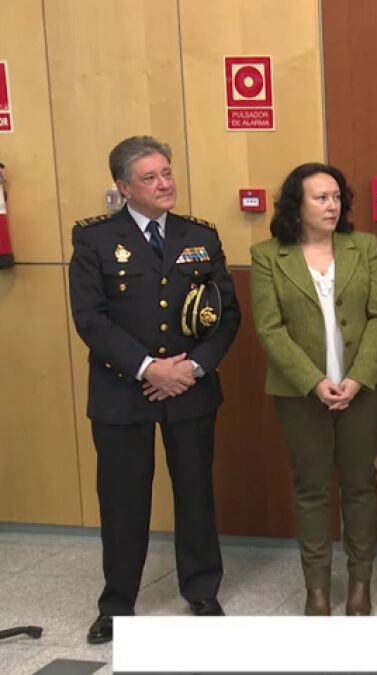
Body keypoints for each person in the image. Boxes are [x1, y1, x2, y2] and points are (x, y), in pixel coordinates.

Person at [68, 135, 240, 644]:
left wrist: (194, 367)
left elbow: (226, 313)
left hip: (190, 387)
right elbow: (90, 318)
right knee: (122, 500)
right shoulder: (95, 239)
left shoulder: (200, 236)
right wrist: (148, 369)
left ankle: (202, 590)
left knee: (195, 492)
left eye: (166, 172)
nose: (165, 183)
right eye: (150, 177)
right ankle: (117, 604)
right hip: (123, 392)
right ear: (123, 188)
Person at [250, 163, 377, 616]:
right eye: (321, 198)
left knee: (359, 484)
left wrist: (358, 377)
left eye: (336, 197)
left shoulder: (363, 246)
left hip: (362, 388)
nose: (332, 205)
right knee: (311, 487)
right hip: (300, 392)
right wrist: (313, 381)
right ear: (297, 205)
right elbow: (270, 328)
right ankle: (317, 587)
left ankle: (360, 582)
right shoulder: (268, 255)